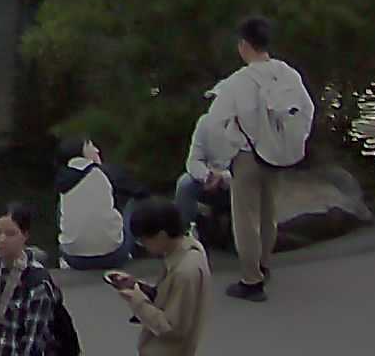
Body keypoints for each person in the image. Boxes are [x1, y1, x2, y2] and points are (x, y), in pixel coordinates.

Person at [175, 17, 307, 302]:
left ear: (244, 45)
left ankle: (251, 279)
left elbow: (217, 119)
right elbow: (304, 112)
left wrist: (227, 153)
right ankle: (264, 264)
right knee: (268, 213)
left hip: (247, 156)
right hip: (276, 154)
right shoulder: (287, 75)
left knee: (246, 218)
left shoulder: (238, 82)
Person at [0, 200, 76, 356]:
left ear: (25, 236)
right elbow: (2, 313)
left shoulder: (38, 283)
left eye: (10, 233)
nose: (2, 239)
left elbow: (33, 342)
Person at [106, 197, 207, 356]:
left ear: (161, 235)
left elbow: (172, 329)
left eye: (143, 241)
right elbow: (170, 295)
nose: (144, 246)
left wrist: (138, 301)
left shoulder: (185, 271)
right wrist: (138, 286)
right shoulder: (187, 252)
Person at [56, 140, 131, 270]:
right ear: (82, 152)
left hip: (74, 259)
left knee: (62, 208)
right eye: (91, 146)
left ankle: (66, 257)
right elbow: (140, 192)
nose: (97, 150)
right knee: (132, 204)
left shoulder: (62, 180)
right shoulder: (107, 173)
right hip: (113, 256)